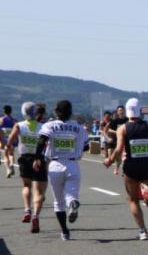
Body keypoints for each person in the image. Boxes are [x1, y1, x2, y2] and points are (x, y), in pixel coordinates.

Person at [103, 97, 148, 240]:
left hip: (131, 167)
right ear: (139, 110)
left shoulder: (122, 128)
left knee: (133, 200)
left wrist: (109, 161)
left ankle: (143, 231)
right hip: (147, 165)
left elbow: (118, 150)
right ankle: (147, 193)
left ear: (127, 112)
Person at [33, 100, 88, 240]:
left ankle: (65, 231)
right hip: (73, 164)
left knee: (58, 202)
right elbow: (86, 146)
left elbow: (42, 140)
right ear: (70, 112)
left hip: (55, 164)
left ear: (57, 111)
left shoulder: (50, 126)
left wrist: (37, 157)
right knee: (71, 194)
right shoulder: (78, 127)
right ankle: (73, 203)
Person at [7, 101, 47, 232]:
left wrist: (8, 150)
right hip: (39, 159)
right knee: (39, 191)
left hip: (24, 158)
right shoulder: (43, 126)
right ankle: (36, 215)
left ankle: (27, 210)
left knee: (26, 186)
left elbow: (10, 141)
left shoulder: (19, 125)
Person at [1, 105, 15, 177]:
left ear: (4, 111)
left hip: (4, 138)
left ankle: (8, 169)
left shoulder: (1, 119)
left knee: (5, 155)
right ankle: (12, 164)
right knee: (11, 154)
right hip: (11, 138)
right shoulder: (13, 120)